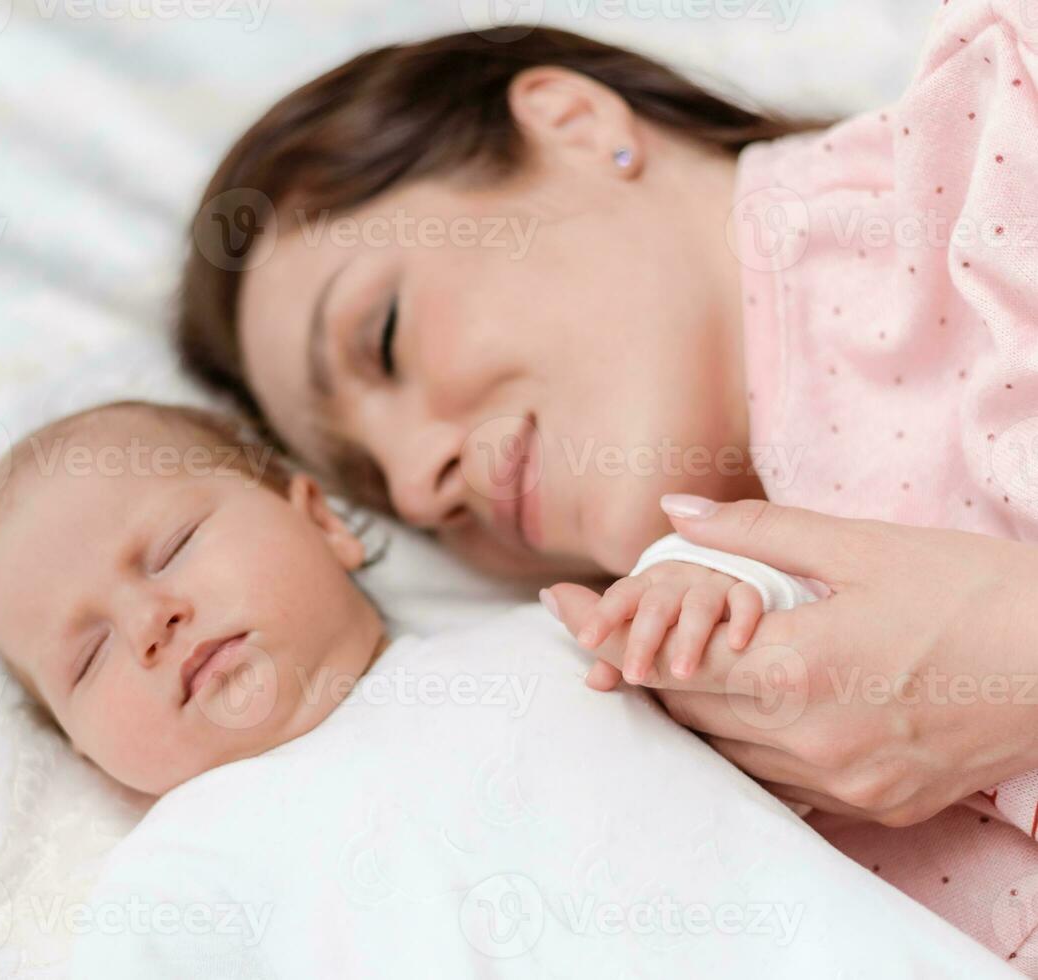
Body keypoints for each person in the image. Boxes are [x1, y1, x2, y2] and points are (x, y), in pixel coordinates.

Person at [176, 2, 1038, 964]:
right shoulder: (675, 756)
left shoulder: (1008, 119)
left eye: (382, 336)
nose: (423, 487)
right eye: (378, 489)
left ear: (577, 126)